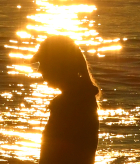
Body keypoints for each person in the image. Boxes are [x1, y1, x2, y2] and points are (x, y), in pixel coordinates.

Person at [32, 35, 100, 164]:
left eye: (42, 63)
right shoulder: (84, 98)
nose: (39, 69)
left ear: (58, 65)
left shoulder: (68, 105)